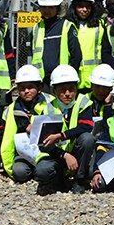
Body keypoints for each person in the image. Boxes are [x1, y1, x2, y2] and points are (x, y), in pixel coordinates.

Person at [0, 64, 58, 185]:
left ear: (39, 87)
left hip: (46, 152)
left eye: (30, 87)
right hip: (23, 154)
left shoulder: (51, 103)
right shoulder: (11, 109)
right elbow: (7, 138)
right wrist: (8, 168)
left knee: (44, 171)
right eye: (22, 88)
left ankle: (42, 169)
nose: (26, 91)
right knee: (19, 172)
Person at [36, 64, 95, 195]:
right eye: (62, 90)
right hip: (58, 155)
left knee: (87, 138)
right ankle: (59, 180)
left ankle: (79, 180)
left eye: (71, 89)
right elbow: (44, 144)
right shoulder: (48, 109)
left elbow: (86, 126)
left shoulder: (83, 102)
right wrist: (64, 155)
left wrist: (61, 136)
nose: (67, 94)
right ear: (54, 90)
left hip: (78, 152)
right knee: (42, 171)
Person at [66, 0, 114, 92]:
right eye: (80, 6)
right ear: (74, 8)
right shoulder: (67, 26)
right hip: (73, 78)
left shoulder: (99, 26)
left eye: (88, 7)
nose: (84, 10)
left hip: (95, 80)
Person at [28, 0, 79, 80]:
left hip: (62, 80)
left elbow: (76, 56)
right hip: (41, 80)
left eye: (51, 7)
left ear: (57, 8)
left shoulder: (67, 26)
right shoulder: (36, 28)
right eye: (44, 7)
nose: (47, 10)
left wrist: (70, 77)